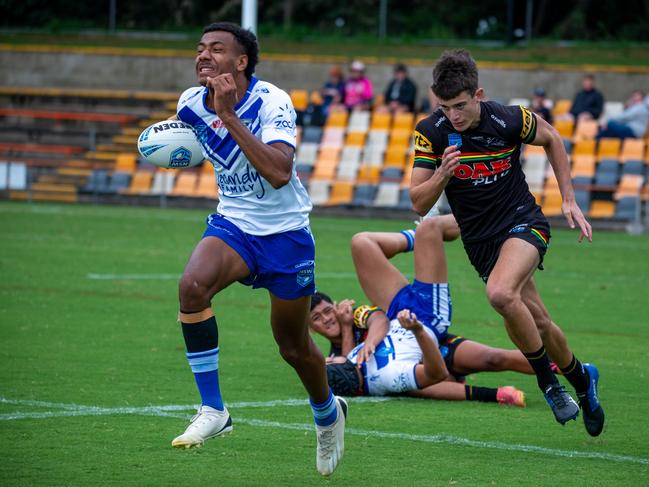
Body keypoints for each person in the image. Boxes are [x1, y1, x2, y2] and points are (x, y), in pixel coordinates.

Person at [169, 22, 345, 476]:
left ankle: (327, 413)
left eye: (217, 49)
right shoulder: (189, 104)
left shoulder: (272, 100)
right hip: (234, 224)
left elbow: (280, 172)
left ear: (241, 61)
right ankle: (214, 411)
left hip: (286, 234)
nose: (203, 55)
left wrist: (229, 115)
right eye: (200, 48)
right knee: (192, 287)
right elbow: (189, 145)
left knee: (292, 346)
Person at [409, 49, 604, 437]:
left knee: (500, 294)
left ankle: (548, 384)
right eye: (446, 107)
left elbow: (552, 138)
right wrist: (443, 175)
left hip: (522, 221)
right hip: (481, 242)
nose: (454, 115)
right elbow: (418, 201)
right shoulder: (430, 131)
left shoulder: (508, 118)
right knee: (541, 322)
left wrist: (568, 198)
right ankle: (582, 380)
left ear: (478, 94)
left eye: (461, 105)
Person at [320, 216, 526, 407]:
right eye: (317, 318)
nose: (326, 319)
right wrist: (417, 330)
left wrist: (349, 331)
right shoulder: (384, 376)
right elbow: (433, 376)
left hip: (397, 313)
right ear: (312, 328)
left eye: (327, 311)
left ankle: (419, 237)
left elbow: (378, 319)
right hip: (426, 318)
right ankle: (493, 214)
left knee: (361, 243)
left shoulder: (349, 356)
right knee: (430, 229)